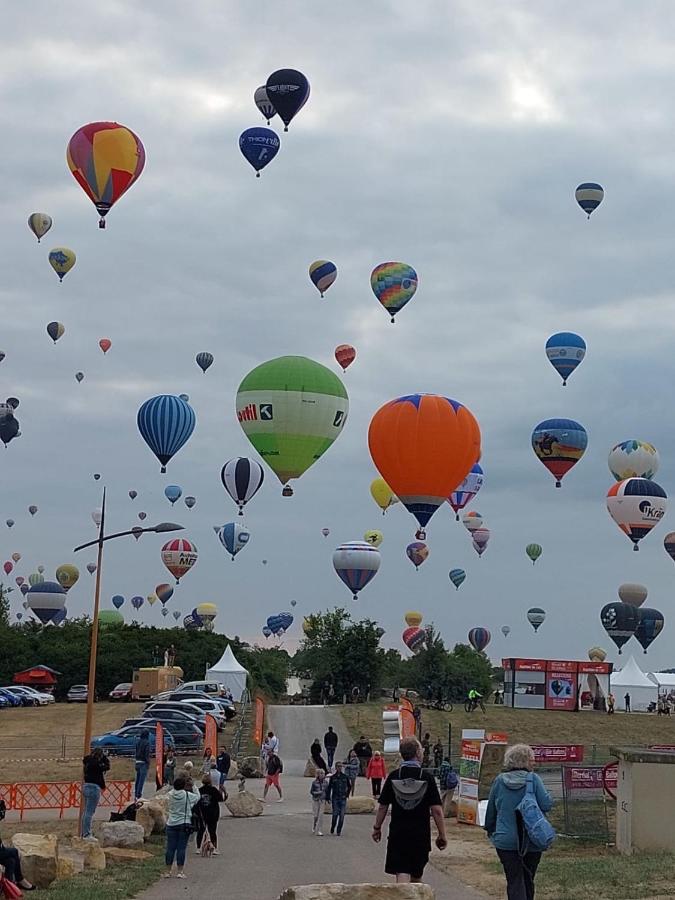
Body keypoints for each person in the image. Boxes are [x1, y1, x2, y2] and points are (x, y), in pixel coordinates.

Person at [372, 736, 447, 884]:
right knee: (417, 873)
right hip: (420, 833)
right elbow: (437, 810)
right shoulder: (427, 778)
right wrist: (442, 834)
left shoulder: (394, 776)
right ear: (418, 753)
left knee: (402, 871)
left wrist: (377, 827)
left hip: (398, 832)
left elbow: (382, 806)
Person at [484, 743, 553, 900]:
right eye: (532, 759)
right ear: (526, 761)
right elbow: (546, 805)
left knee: (514, 880)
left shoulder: (499, 781)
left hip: (506, 840)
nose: (534, 762)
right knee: (528, 879)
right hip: (532, 840)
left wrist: (491, 830)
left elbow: (491, 811)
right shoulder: (534, 780)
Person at [163, 775, 201, 879]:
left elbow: (164, 801)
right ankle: (180, 871)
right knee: (181, 848)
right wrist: (194, 786)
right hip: (184, 823)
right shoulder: (188, 795)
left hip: (171, 823)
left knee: (170, 848)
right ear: (184, 786)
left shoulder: (169, 795)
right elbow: (198, 797)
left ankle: (167, 871)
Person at [81, 747, 110, 838]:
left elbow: (86, 759)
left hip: (86, 786)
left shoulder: (87, 762)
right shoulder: (97, 764)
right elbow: (107, 767)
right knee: (89, 812)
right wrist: (105, 758)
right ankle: (87, 834)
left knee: (86, 811)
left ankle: (84, 832)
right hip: (94, 788)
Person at [196, 773, 222, 855]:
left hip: (202, 814)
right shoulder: (214, 790)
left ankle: (198, 847)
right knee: (213, 831)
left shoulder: (199, 790)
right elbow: (220, 799)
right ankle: (215, 848)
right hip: (213, 814)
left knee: (201, 831)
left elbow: (196, 802)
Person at [325, 760, 350, 836]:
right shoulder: (333, 777)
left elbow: (349, 786)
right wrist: (328, 797)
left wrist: (347, 794)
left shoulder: (345, 777)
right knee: (335, 814)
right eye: (338, 766)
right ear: (336, 767)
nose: (340, 768)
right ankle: (333, 826)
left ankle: (339, 830)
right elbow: (329, 788)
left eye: (341, 766)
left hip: (343, 798)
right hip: (335, 798)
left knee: (342, 816)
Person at [134, 729, 151, 801]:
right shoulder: (147, 743)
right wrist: (148, 761)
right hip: (143, 762)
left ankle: (135, 795)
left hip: (137, 761)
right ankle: (139, 795)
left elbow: (136, 751)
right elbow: (146, 753)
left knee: (137, 780)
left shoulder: (138, 742)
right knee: (141, 780)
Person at [309, 769, 327, 835]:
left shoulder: (325, 783)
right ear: (318, 775)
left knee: (321, 815)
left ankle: (320, 829)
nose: (322, 775)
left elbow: (327, 791)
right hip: (316, 800)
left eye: (323, 773)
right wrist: (317, 793)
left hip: (322, 800)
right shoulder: (314, 782)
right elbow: (311, 792)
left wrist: (328, 798)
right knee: (316, 815)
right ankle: (314, 825)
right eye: (321, 773)